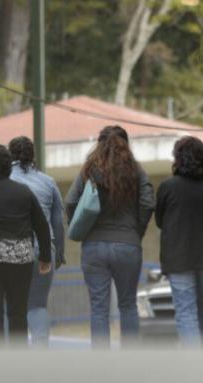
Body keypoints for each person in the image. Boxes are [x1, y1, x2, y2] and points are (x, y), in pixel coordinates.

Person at [65, 126, 155, 348]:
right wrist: (136, 231)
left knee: (99, 308)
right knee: (128, 305)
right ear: (126, 144)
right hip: (128, 245)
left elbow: (70, 202)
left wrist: (83, 226)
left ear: (99, 144)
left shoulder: (89, 171)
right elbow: (148, 203)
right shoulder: (137, 171)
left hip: (94, 247)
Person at [0, 145, 52, 345]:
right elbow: (41, 225)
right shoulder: (23, 191)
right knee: (18, 311)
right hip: (20, 260)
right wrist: (45, 257)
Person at [155, 136, 203, 347]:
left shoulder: (167, 186)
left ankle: (193, 366)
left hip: (179, 259)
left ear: (177, 158)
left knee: (186, 313)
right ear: (202, 157)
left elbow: (160, 221)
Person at [8, 136, 65, 347]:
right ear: (33, 155)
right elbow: (58, 223)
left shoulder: (4, 181)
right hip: (43, 250)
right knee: (37, 305)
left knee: (11, 306)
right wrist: (58, 254)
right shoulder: (48, 182)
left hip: (11, 251)